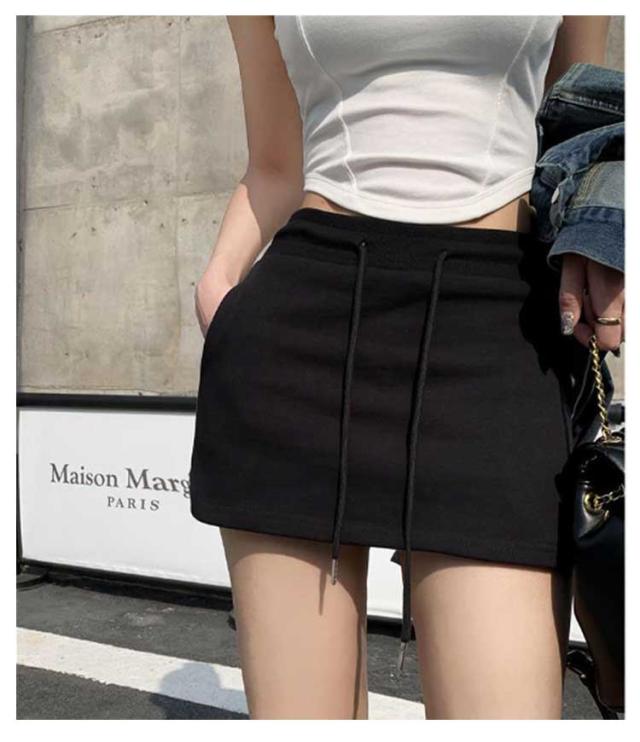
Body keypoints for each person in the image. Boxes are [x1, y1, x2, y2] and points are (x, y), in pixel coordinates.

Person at [188, 15, 624, 719]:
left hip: (500, 332)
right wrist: (219, 283)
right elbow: (274, 164)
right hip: (300, 338)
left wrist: (604, 237)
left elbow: (581, 118)